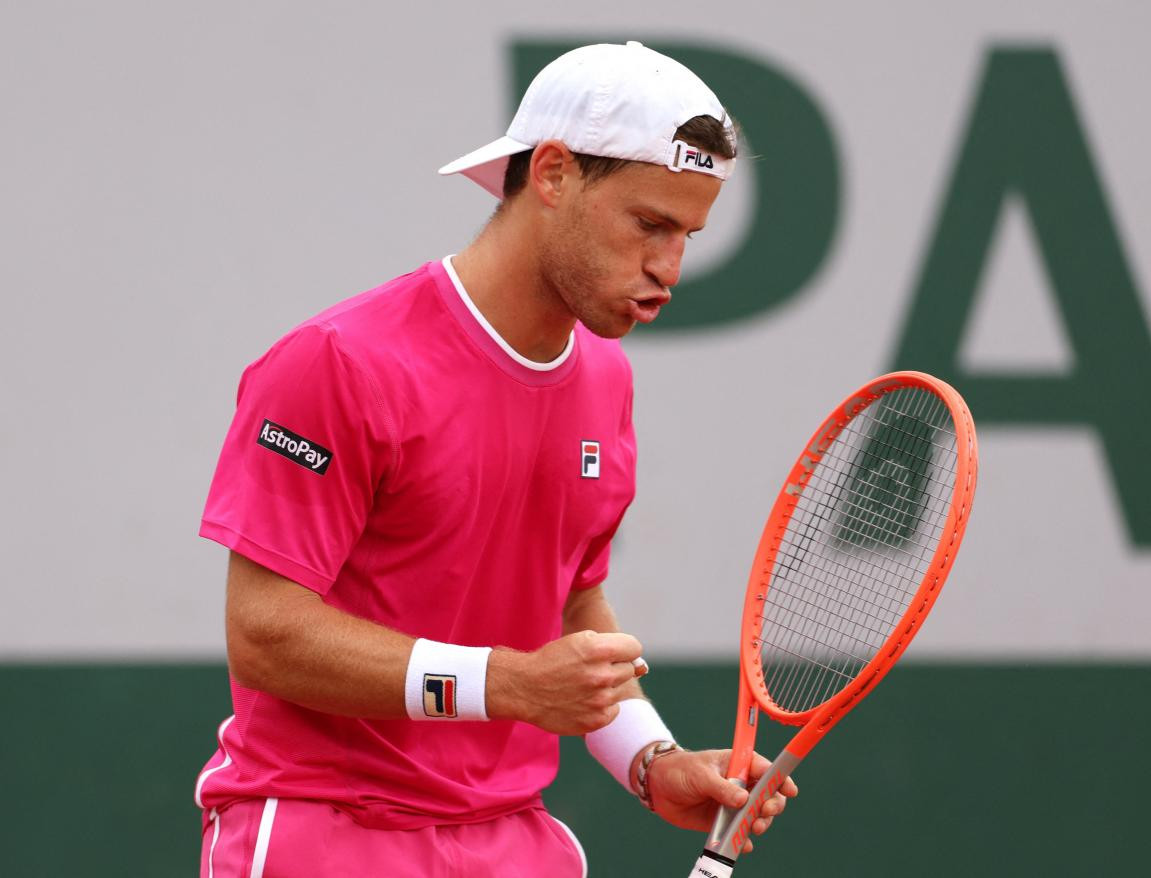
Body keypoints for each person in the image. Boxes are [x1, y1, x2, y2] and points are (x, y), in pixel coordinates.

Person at [195, 40, 797, 876]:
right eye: (650, 224)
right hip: (325, 834)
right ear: (551, 174)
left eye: (687, 233)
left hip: (513, 843)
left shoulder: (605, 383)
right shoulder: (339, 362)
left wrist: (651, 762)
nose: (670, 267)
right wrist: (504, 685)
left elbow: (568, 611)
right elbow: (264, 636)